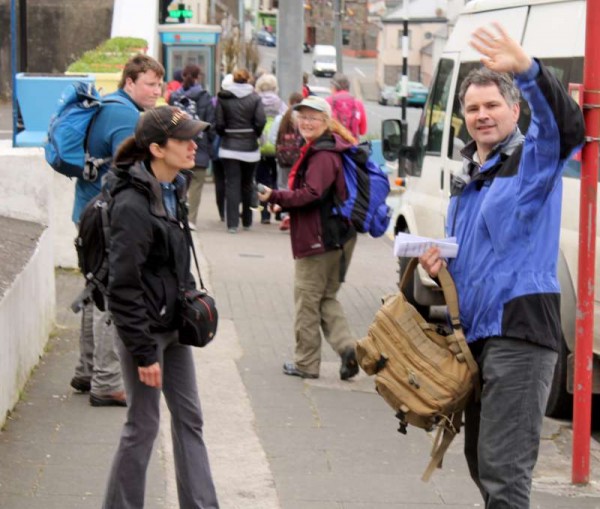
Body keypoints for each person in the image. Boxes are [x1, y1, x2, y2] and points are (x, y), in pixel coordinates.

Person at [418, 23, 584, 508]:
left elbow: (567, 126)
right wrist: (438, 267)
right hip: (475, 336)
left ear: (515, 110)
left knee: (504, 475)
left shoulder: (531, 161)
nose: (482, 115)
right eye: (472, 108)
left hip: (520, 332)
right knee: (480, 462)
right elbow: (478, 256)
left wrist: (528, 70)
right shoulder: (470, 177)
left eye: (492, 105)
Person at [101, 106, 219, 509]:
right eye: (183, 139)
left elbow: (173, 262)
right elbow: (123, 286)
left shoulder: (176, 188)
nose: (193, 145)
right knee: (143, 426)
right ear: (156, 148)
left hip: (174, 327)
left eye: (193, 137)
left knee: (190, 420)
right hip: (143, 333)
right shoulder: (132, 205)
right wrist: (142, 350)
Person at [70, 54, 164, 407]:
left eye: (159, 84)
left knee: (95, 288)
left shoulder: (108, 105)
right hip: (111, 220)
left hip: (89, 212)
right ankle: (107, 381)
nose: (157, 91)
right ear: (129, 83)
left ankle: (87, 369)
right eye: (150, 84)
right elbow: (135, 170)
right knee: (112, 294)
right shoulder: (124, 115)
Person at [257, 96, 359, 381]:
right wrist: (285, 203)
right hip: (336, 235)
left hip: (320, 239)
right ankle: (348, 348)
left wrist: (275, 196)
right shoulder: (326, 149)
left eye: (313, 117)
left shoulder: (323, 154)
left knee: (306, 300)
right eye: (302, 117)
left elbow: (313, 193)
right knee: (325, 297)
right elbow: (318, 196)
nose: (306, 122)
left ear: (326, 121)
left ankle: (306, 363)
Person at [215, 68, 266, 233]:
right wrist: (254, 134)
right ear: (248, 80)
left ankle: (232, 224)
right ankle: (247, 221)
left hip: (229, 147)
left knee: (232, 184)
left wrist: (226, 134)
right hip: (250, 147)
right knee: (248, 184)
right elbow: (260, 121)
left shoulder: (224, 98)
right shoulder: (255, 98)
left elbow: (219, 124)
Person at [169, 64, 216, 229]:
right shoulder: (205, 97)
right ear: (198, 77)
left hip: (178, 146)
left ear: (182, 76)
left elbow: (170, 122)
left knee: (179, 183)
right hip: (200, 147)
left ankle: (176, 215)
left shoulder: (174, 97)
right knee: (196, 186)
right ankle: (190, 220)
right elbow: (211, 124)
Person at [268, 91, 304, 231]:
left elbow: (272, 138)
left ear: (289, 102)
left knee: (283, 185)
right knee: (297, 185)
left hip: (283, 158)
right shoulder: (302, 119)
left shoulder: (281, 118)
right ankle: (295, 214)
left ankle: (285, 214)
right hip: (299, 158)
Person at [255, 73, 287, 224]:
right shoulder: (280, 104)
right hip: (277, 147)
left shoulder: (256, 101)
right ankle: (277, 209)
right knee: (277, 179)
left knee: (262, 179)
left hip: (259, 145)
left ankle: (264, 215)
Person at [326, 72, 367, 140]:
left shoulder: (327, 102)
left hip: (332, 145)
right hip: (352, 146)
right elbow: (362, 131)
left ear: (333, 87)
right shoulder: (358, 104)